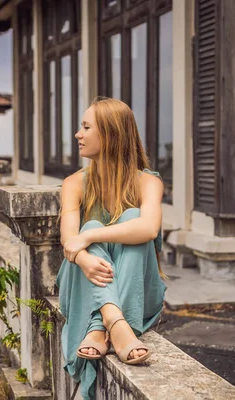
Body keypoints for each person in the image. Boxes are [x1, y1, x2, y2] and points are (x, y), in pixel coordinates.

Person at [55, 97, 167, 400]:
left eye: (86, 127)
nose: (78, 134)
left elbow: (148, 229)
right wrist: (83, 257)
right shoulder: (74, 183)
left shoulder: (148, 182)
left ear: (111, 134)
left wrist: (89, 240)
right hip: (82, 280)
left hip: (139, 290)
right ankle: (117, 325)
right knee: (88, 229)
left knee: (123, 221)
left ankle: (99, 325)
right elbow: (70, 239)